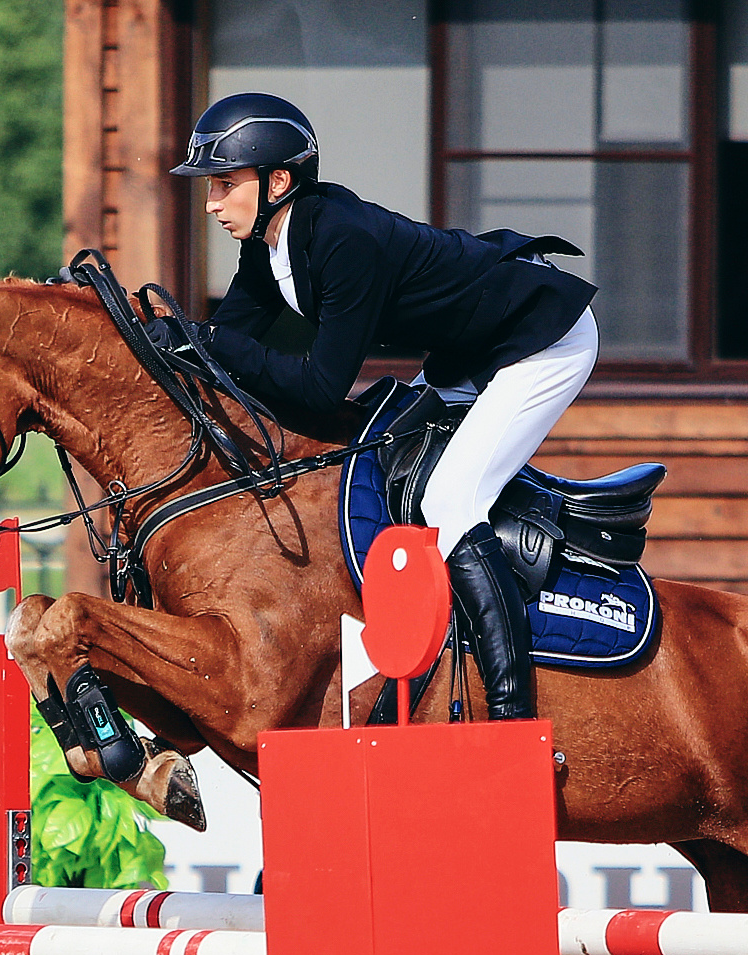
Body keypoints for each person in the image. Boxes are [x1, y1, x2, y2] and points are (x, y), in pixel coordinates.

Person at [166, 91, 599, 723]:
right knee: (390, 467)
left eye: (224, 184)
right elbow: (222, 347)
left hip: (541, 339)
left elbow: (318, 387)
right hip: (468, 351)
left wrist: (204, 339)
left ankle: (513, 714)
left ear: (277, 181)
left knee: (453, 501)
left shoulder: (343, 240)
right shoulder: (269, 244)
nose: (210, 203)